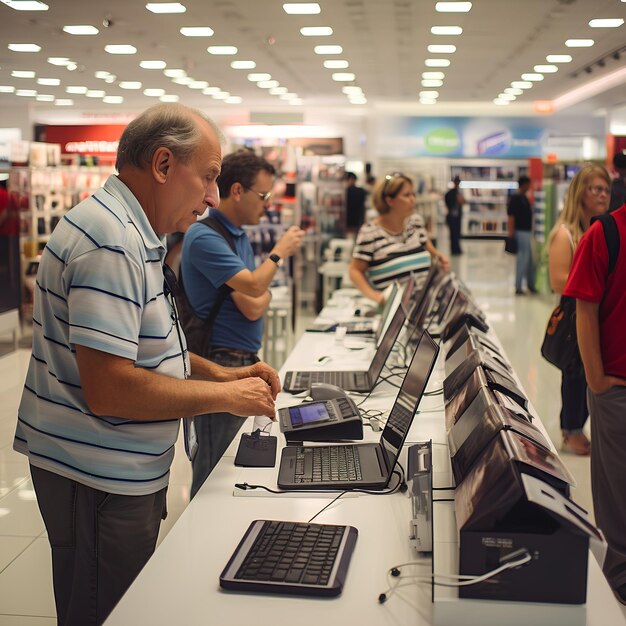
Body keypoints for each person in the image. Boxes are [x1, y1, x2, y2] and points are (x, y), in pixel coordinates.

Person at [13, 103, 280, 626]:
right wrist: (227, 398)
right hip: (96, 477)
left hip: (114, 471)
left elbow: (143, 348)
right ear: (162, 165)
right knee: (102, 609)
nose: (211, 196)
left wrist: (221, 373)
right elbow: (112, 388)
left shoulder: (131, 232)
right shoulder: (111, 241)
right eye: (206, 177)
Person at [180, 149, 304, 497]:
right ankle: (199, 541)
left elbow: (255, 295)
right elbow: (253, 300)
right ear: (237, 190)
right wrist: (278, 254)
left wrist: (258, 288)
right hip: (218, 360)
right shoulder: (205, 236)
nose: (267, 204)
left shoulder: (236, 235)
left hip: (242, 359)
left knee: (230, 460)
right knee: (213, 465)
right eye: (263, 195)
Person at [563, 191, 626, 606]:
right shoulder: (606, 232)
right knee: (616, 493)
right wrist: (597, 381)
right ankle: (619, 576)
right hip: (617, 388)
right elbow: (584, 309)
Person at [547, 164, 611, 456]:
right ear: (580, 193)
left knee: (589, 370)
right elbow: (557, 280)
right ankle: (570, 429)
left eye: (606, 190)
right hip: (575, 314)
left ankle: (577, 426)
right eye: (595, 189)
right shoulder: (566, 234)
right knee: (574, 374)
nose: (602, 195)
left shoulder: (597, 230)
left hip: (595, 310)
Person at [349, 173, 449, 305]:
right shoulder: (370, 233)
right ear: (389, 200)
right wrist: (376, 297)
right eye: (407, 195)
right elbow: (354, 270)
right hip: (395, 315)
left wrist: (441, 260)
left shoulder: (416, 223)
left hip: (424, 309)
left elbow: (432, 254)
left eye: (413, 194)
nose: (413, 199)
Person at [507, 175, 537, 295]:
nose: (530, 186)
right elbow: (511, 217)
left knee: (529, 259)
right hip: (520, 232)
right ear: (524, 184)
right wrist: (511, 233)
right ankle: (518, 286)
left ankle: (530, 284)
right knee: (522, 259)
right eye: (528, 184)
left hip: (527, 232)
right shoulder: (515, 199)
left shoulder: (524, 198)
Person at [444, 175, 465, 255]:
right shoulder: (453, 193)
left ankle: (456, 249)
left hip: (455, 217)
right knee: (454, 234)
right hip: (453, 217)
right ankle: (455, 250)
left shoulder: (455, 193)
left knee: (455, 234)